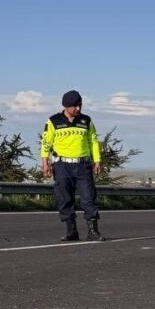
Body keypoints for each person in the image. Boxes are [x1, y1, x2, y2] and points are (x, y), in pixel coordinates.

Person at [40, 90, 105, 241]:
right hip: (62, 165)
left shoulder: (86, 121)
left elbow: (93, 142)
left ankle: (93, 231)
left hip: (83, 165)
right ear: (66, 106)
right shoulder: (53, 121)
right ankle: (71, 230)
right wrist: (45, 163)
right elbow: (45, 144)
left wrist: (97, 160)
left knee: (89, 197)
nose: (78, 109)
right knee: (64, 198)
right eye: (75, 106)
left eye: (80, 105)